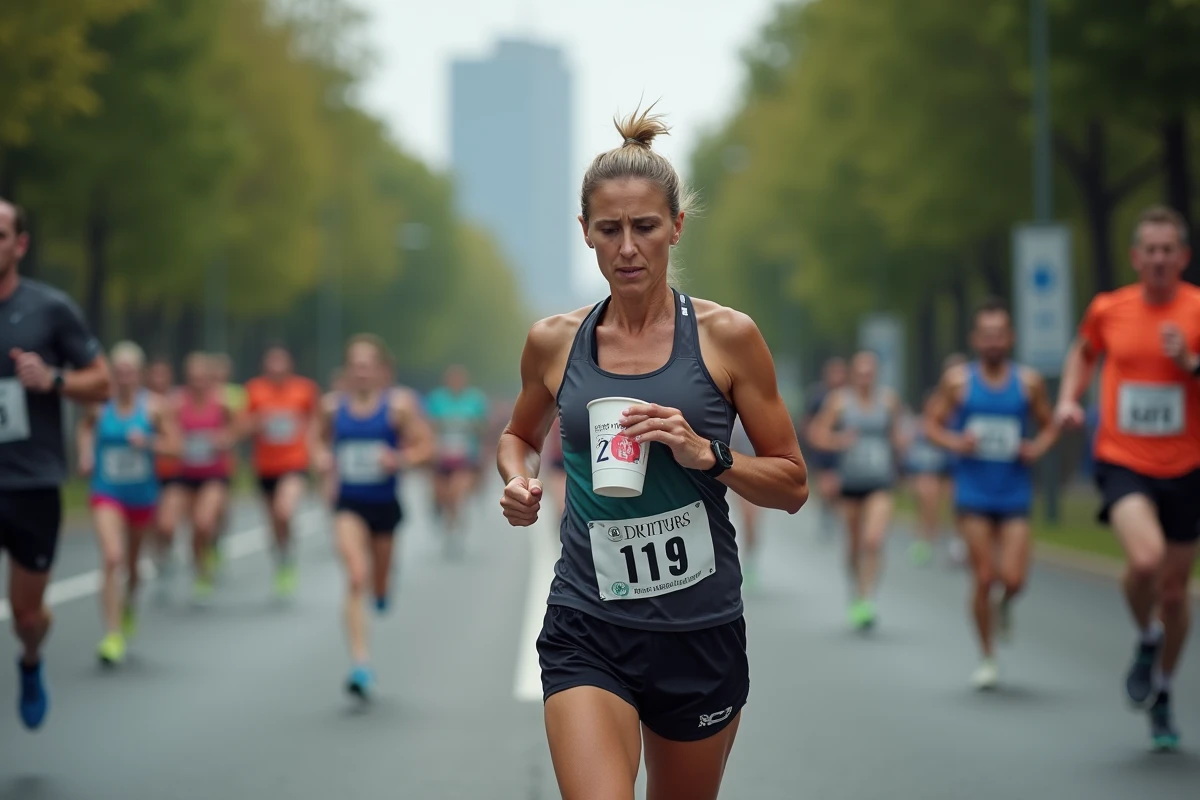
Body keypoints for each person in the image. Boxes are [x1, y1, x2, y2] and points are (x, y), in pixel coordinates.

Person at [497, 108, 807, 800]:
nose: (628, 247)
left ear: (676, 226)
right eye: (609, 230)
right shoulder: (554, 341)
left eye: (645, 227)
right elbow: (518, 436)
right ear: (586, 235)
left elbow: (792, 483)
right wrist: (517, 482)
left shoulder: (729, 338)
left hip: (699, 630)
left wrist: (710, 456)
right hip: (588, 623)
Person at [1055, 205, 1200, 752]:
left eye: (1170, 250)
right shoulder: (1109, 309)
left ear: (1183, 257)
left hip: (1187, 467)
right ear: (1136, 257)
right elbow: (1084, 351)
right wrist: (1071, 397)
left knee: (1175, 593)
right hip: (1123, 458)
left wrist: (1191, 362)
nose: (1160, 259)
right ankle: (1146, 640)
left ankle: (1162, 689)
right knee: (1144, 561)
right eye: (1151, 250)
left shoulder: (1197, 309)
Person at [0, 197, 111, 729]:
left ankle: (30, 658)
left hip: (30, 482)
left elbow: (104, 381)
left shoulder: (50, 309)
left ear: (19, 245)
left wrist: (55, 380)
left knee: (26, 615)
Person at [925, 300, 1058, 689]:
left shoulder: (1028, 382)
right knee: (984, 576)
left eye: (1000, 334)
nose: (993, 341)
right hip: (973, 492)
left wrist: (1036, 449)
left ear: (1011, 338)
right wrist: (956, 441)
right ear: (975, 339)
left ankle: (1005, 606)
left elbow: (1049, 427)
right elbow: (931, 424)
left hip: (1014, 490)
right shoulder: (958, 382)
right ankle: (987, 657)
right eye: (987, 334)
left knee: (1013, 579)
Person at [314, 334, 434, 699]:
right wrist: (320, 459)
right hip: (348, 504)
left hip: (385, 506)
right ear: (347, 371)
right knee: (355, 575)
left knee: (378, 586)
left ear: (381, 371)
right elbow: (314, 440)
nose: (361, 372)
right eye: (355, 366)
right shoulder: (332, 408)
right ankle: (361, 664)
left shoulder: (397, 407)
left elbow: (426, 447)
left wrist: (398, 459)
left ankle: (382, 589)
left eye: (368, 366)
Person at [77, 341, 180, 665]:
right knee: (112, 557)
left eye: (130, 371)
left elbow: (177, 446)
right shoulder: (99, 405)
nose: (123, 377)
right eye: (118, 371)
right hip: (106, 491)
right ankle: (112, 634)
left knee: (133, 567)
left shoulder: (155, 407)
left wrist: (149, 442)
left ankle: (130, 603)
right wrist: (85, 453)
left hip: (142, 496)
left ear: (140, 374)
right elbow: (84, 429)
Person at [809, 350, 906, 630]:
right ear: (853, 374)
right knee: (853, 544)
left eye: (870, 372)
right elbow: (816, 433)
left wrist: (901, 448)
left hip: (880, 482)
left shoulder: (888, 402)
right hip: (850, 482)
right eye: (860, 372)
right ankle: (856, 590)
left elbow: (897, 436)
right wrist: (838, 441)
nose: (865, 377)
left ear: (876, 374)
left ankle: (867, 597)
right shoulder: (840, 402)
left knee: (873, 540)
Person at [242, 345, 319, 598]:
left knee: (284, 510)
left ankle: (288, 556)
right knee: (273, 521)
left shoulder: (304, 390)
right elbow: (243, 426)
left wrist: (314, 448)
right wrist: (257, 422)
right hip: (265, 467)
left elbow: (316, 422)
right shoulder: (254, 390)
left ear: (290, 366)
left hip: (295, 463)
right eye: (271, 364)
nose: (276, 369)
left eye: (280, 363)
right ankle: (283, 558)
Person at [173, 352, 235, 602]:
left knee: (203, 522)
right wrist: (175, 443)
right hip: (185, 474)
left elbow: (238, 427)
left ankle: (207, 561)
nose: (197, 382)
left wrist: (225, 438)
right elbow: (167, 431)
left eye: (202, 377)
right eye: (192, 377)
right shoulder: (176, 404)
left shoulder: (222, 403)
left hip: (214, 475)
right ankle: (201, 568)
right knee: (173, 526)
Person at [905, 353, 967, 567]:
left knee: (958, 500)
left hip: (960, 457)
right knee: (928, 498)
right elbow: (927, 427)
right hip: (934, 455)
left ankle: (958, 543)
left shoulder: (974, 397)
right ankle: (925, 538)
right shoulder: (937, 399)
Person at [425, 364, 490, 557]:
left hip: (465, 458)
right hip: (441, 457)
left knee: (456, 493)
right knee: (443, 496)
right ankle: (444, 516)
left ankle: (455, 529)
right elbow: (427, 428)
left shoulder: (475, 400)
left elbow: (483, 429)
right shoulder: (437, 399)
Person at [803, 358, 848, 540]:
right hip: (822, 450)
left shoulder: (848, 397)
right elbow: (808, 422)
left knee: (836, 487)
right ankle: (825, 513)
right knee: (826, 487)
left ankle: (834, 514)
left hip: (842, 450)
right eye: (833, 373)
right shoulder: (818, 396)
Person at [730, 417, 763, 590]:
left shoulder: (758, 413)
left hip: (757, 473)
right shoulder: (728, 415)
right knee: (742, 518)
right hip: (734, 471)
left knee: (752, 520)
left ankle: (750, 560)